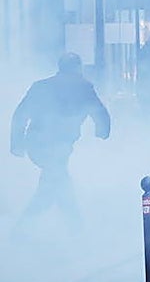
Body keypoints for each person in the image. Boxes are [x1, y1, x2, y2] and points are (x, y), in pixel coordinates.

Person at [10, 53, 111, 221]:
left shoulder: (40, 86)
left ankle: (71, 227)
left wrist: (17, 144)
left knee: (54, 182)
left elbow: (20, 114)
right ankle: (27, 228)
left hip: (36, 143)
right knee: (57, 182)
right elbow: (99, 112)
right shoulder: (83, 87)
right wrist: (102, 132)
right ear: (78, 68)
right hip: (57, 145)